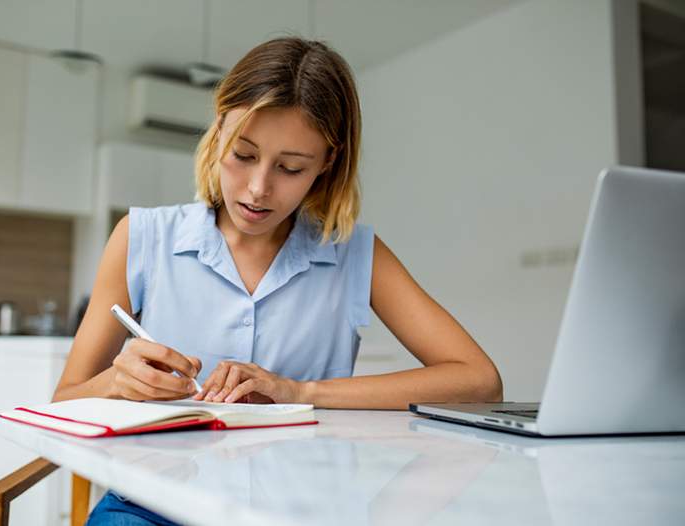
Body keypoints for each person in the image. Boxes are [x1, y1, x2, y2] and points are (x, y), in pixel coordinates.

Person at [53, 36, 502, 525]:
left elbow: (479, 380)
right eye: (243, 154)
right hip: (152, 508)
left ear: (327, 163)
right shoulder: (141, 238)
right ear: (219, 127)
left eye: (290, 168)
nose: (257, 188)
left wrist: (301, 392)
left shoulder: (355, 253)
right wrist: (117, 383)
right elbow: (63, 402)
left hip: (300, 511)